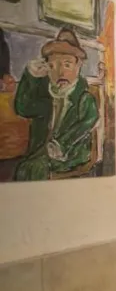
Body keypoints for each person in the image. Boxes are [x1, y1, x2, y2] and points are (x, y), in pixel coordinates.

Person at [13, 27, 99, 180]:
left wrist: (62, 144)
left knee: (32, 169)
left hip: (69, 154)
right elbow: (22, 108)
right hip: (40, 153)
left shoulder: (84, 98)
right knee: (26, 168)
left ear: (78, 65)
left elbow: (88, 121)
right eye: (53, 66)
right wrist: (30, 76)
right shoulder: (46, 94)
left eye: (67, 65)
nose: (61, 72)